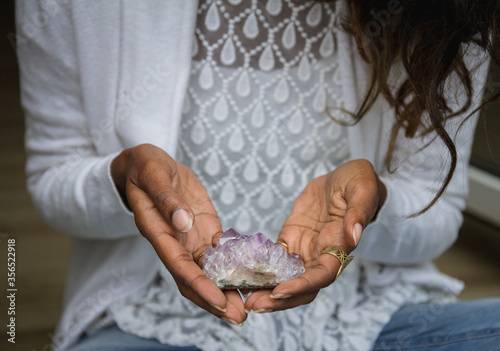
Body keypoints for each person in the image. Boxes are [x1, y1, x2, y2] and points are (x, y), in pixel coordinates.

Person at [16, 0, 500, 350]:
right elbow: (52, 178)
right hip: (149, 319)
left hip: (370, 317)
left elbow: (439, 216)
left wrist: (371, 208)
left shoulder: (443, 14)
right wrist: (123, 179)